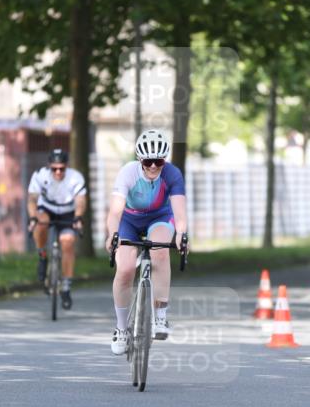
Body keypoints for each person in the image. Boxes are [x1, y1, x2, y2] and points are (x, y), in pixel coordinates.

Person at [104, 129, 189, 355]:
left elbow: (180, 212)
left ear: (164, 160)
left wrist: (181, 234)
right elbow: (115, 212)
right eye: (148, 161)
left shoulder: (172, 174)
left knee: (160, 251)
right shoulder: (128, 172)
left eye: (158, 161)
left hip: (159, 218)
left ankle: (160, 316)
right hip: (129, 220)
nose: (153, 166)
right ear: (139, 159)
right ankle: (121, 329)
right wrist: (112, 234)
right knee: (125, 269)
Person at [26, 149, 86, 310]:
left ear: (67, 166)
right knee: (41, 221)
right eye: (54, 169)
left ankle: (66, 287)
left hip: (68, 212)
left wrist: (78, 217)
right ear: (49, 167)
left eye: (61, 168)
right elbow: (32, 199)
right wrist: (32, 217)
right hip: (47, 209)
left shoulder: (75, 178)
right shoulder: (40, 175)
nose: (58, 172)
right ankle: (42, 255)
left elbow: (80, 200)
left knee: (68, 241)